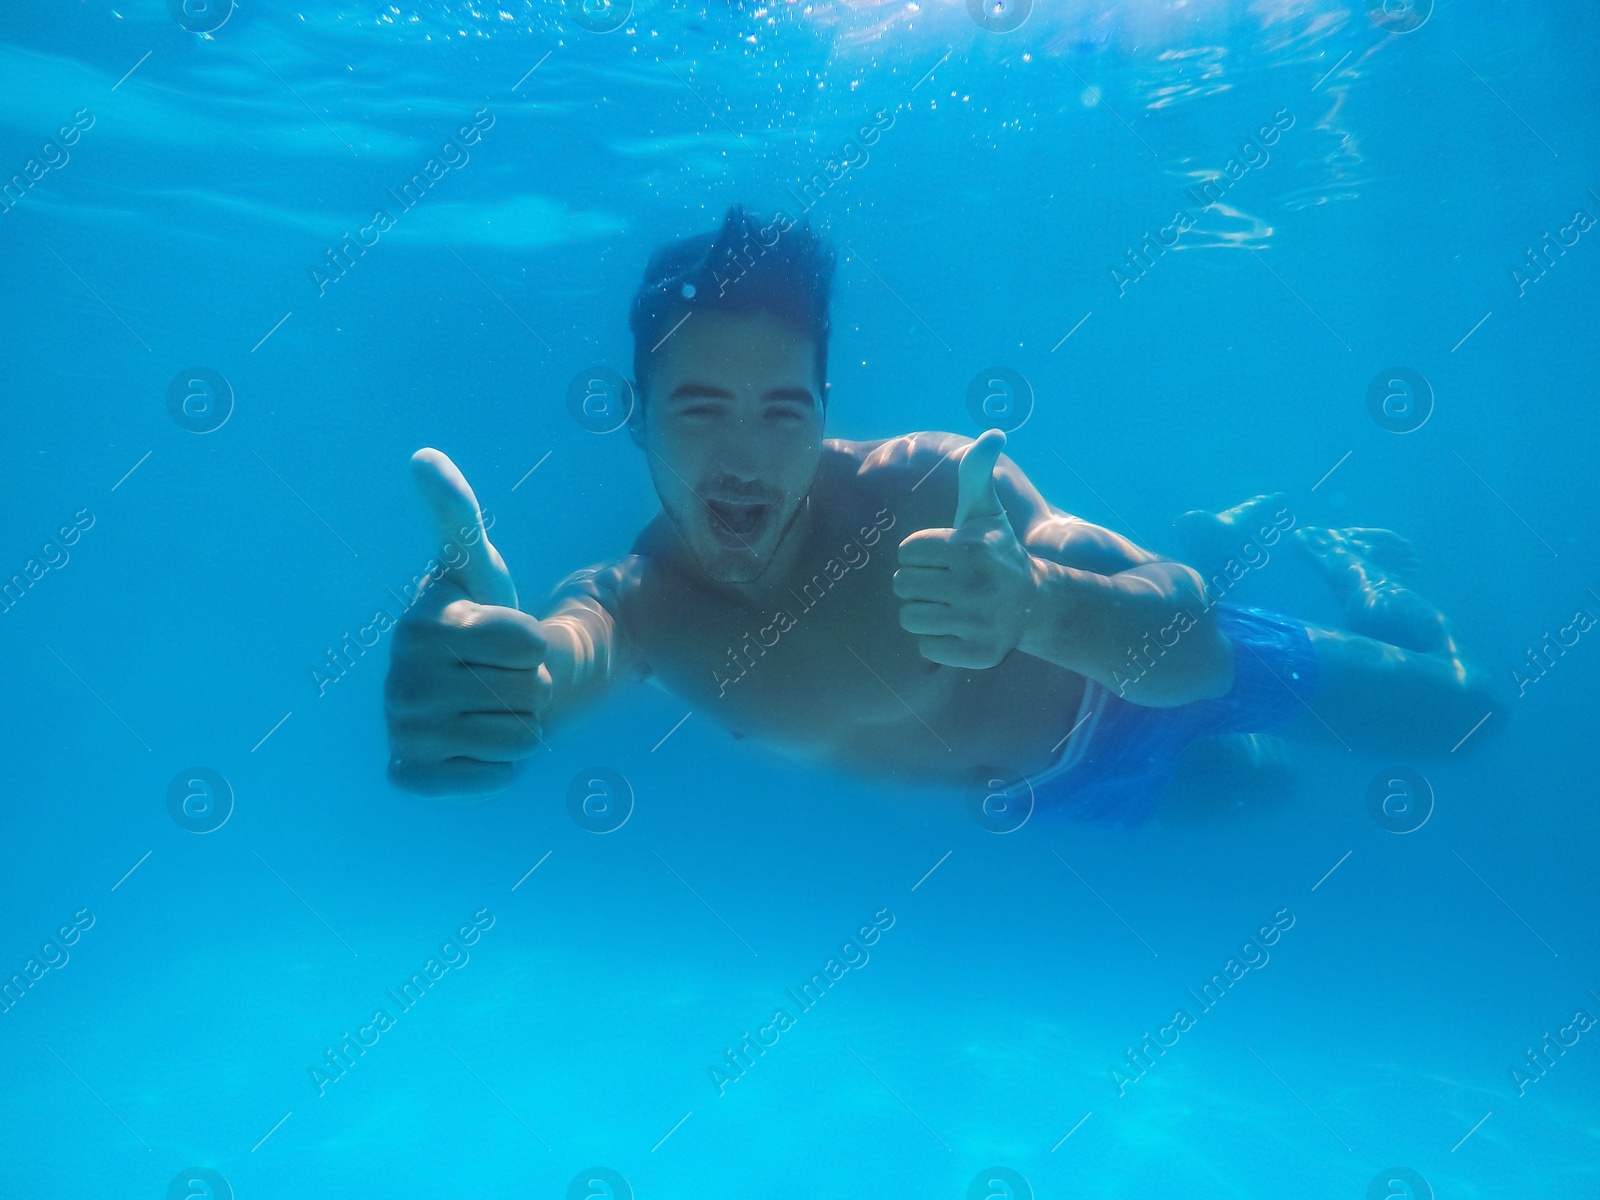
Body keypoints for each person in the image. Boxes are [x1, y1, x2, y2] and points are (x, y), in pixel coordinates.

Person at [383, 206, 1498, 826]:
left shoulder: (924, 489)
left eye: (782, 411)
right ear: (635, 422)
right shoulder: (645, 603)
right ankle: (1218, 526)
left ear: (824, 413)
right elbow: (568, 652)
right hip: (1051, 787)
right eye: (699, 409)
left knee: (1467, 718)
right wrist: (505, 683)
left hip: (1131, 688)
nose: (742, 455)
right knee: (1266, 793)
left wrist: (1040, 609)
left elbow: (1190, 647)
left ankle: (1362, 573)